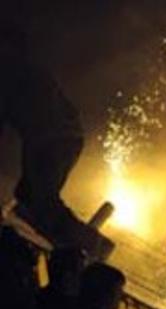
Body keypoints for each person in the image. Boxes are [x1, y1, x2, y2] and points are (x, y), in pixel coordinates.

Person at [1, 22, 108, 255]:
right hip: (59, 138)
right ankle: (72, 246)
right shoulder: (27, 68)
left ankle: (90, 246)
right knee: (31, 199)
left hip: (50, 140)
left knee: (40, 201)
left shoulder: (12, 71)